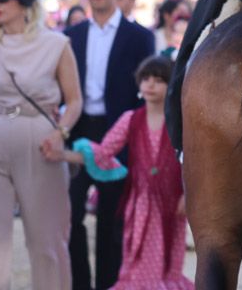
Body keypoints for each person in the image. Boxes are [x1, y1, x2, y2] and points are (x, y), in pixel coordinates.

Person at [0, 0, 82, 290]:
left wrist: (59, 133)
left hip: (41, 140)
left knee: (47, 242)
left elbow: (74, 100)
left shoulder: (56, 43)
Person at [45, 56, 192, 290]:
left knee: (168, 266)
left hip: (172, 206)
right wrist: (62, 155)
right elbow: (102, 153)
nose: (150, 85)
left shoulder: (181, 122)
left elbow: (192, 161)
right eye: (145, 79)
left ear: (171, 84)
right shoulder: (131, 120)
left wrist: (188, 194)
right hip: (140, 206)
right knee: (138, 265)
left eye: (158, 80)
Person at [65, 0, 157, 290]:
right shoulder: (70, 36)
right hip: (77, 132)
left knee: (112, 221)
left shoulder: (140, 37)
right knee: (70, 217)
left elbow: (145, 94)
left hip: (119, 134)